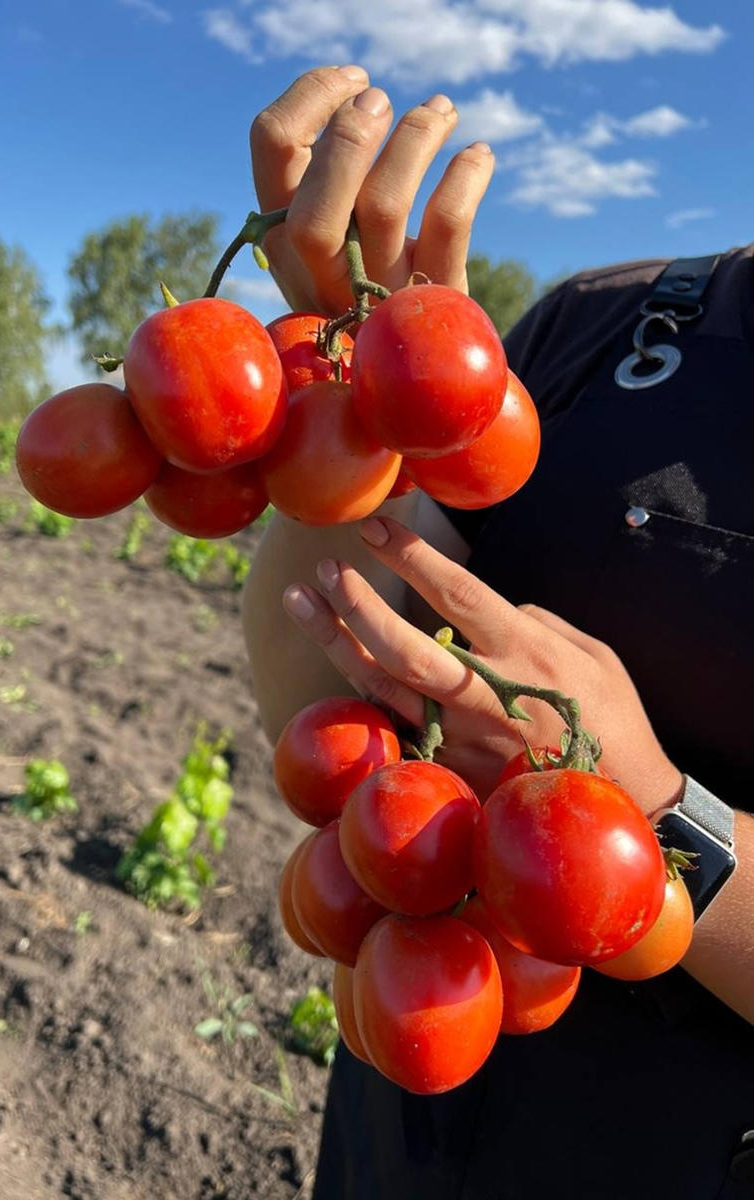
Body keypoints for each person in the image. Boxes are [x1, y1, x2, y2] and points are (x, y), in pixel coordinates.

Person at [240, 66, 754, 1199]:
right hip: (410, 1107)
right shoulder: (594, 324)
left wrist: (664, 819)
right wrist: (352, 402)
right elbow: (312, 718)